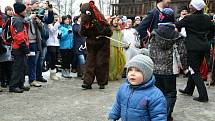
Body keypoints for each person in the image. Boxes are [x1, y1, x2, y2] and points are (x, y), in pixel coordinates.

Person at [176, 0, 214, 102]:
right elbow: (213, 30)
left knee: (194, 70)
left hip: (193, 48)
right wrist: (207, 39)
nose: (189, 6)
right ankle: (189, 89)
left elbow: (178, 24)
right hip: (204, 46)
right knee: (194, 68)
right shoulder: (207, 17)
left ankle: (203, 95)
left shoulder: (189, 18)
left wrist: (183, 17)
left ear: (195, 7)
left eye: (191, 5)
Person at [109, 54, 167, 121]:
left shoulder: (155, 95)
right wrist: (112, 116)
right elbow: (118, 105)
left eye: (138, 70)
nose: (132, 73)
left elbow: (159, 116)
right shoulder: (123, 89)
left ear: (147, 74)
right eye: (130, 70)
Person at [9, 2, 30, 93]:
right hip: (18, 48)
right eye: (24, 10)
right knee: (17, 67)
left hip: (20, 47)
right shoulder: (18, 21)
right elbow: (19, 37)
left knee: (22, 67)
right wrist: (25, 49)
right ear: (20, 11)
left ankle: (20, 84)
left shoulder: (20, 19)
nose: (26, 11)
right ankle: (13, 86)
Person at [109, 16, 126, 81]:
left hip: (119, 48)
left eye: (117, 20)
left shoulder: (119, 30)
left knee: (121, 61)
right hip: (111, 47)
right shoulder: (109, 29)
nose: (116, 22)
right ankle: (110, 76)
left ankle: (116, 75)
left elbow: (121, 38)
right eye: (115, 20)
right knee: (112, 62)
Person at [46, 13, 61, 81]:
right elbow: (53, 30)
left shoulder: (57, 25)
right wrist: (57, 23)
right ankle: (52, 74)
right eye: (54, 17)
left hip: (57, 44)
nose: (56, 18)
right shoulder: (49, 24)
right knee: (52, 59)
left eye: (57, 17)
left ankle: (54, 74)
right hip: (50, 44)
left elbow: (57, 33)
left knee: (55, 59)